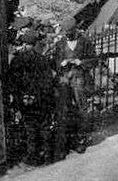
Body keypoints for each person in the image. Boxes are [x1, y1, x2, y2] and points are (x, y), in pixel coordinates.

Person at [6, 29, 56, 166]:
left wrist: (19, 98)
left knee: (30, 128)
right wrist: (42, 96)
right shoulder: (42, 60)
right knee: (44, 126)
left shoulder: (17, 60)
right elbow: (47, 81)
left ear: (26, 44)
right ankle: (47, 154)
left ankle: (32, 155)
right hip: (40, 99)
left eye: (24, 43)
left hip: (25, 99)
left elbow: (12, 82)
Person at [50, 17, 94, 158]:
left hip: (80, 79)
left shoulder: (85, 41)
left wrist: (81, 61)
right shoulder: (61, 44)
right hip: (65, 80)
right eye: (65, 32)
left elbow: (94, 60)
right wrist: (60, 63)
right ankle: (67, 142)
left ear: (75, 29)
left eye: (69, 32)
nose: (67, 34)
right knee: (65, 109)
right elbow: (55, 63)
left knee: (82, 109)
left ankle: (81, 139)